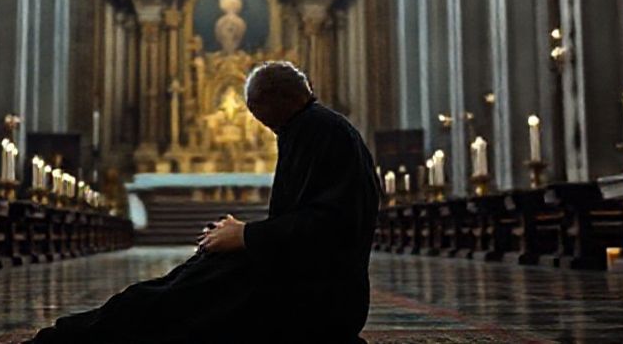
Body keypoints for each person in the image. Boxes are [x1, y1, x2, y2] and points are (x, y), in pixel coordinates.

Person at [28, 61, 380, 344]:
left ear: (272, 103)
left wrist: (246, 236)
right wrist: (239, 236)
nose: (261, 125)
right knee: (181, 285)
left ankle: (71, 337)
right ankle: (78, 331)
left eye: (257, 115)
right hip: (302, 280)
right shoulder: (313, 127)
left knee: (173, 303)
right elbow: (306, 220)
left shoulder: (319, 132)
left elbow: (332, 225)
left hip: (319, 303)